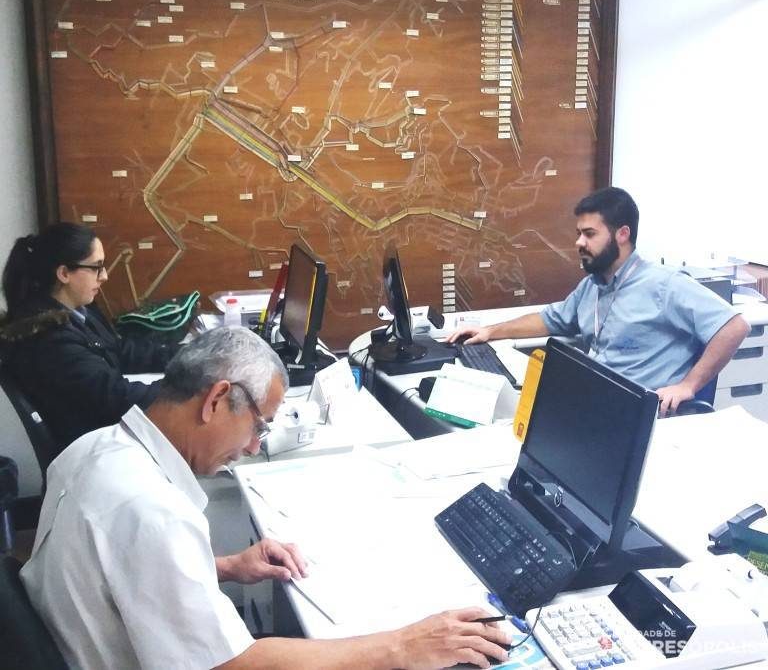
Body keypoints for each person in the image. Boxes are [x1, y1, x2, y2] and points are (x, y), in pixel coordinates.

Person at [21, 327, 510, 670]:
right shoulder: (153, 511)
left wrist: (225, 566)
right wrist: (404, 645)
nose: (255, 446)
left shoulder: (91, 450)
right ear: (216, 400)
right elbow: (231, 664)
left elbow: (114, 569)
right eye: (258, 425)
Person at [449, 187, 749, 416]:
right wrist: (490, 331)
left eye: (589, 234)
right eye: (579, 233)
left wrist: (688, 386)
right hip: (592, 406)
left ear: (622, 234)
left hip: (637, 416)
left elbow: (735, 326)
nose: (579, 242)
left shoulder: (664, 284)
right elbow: (549, 320)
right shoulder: (592, 285)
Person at [0, 222, 179, 450]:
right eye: (96, 267)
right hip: (95, 447)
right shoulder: (48, 339)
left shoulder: (79, 312)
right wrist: (187, 388)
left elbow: (120, 350)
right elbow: (116, 397)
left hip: (108, 430)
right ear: (64, 273)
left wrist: (189, 356)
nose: (104, 276)